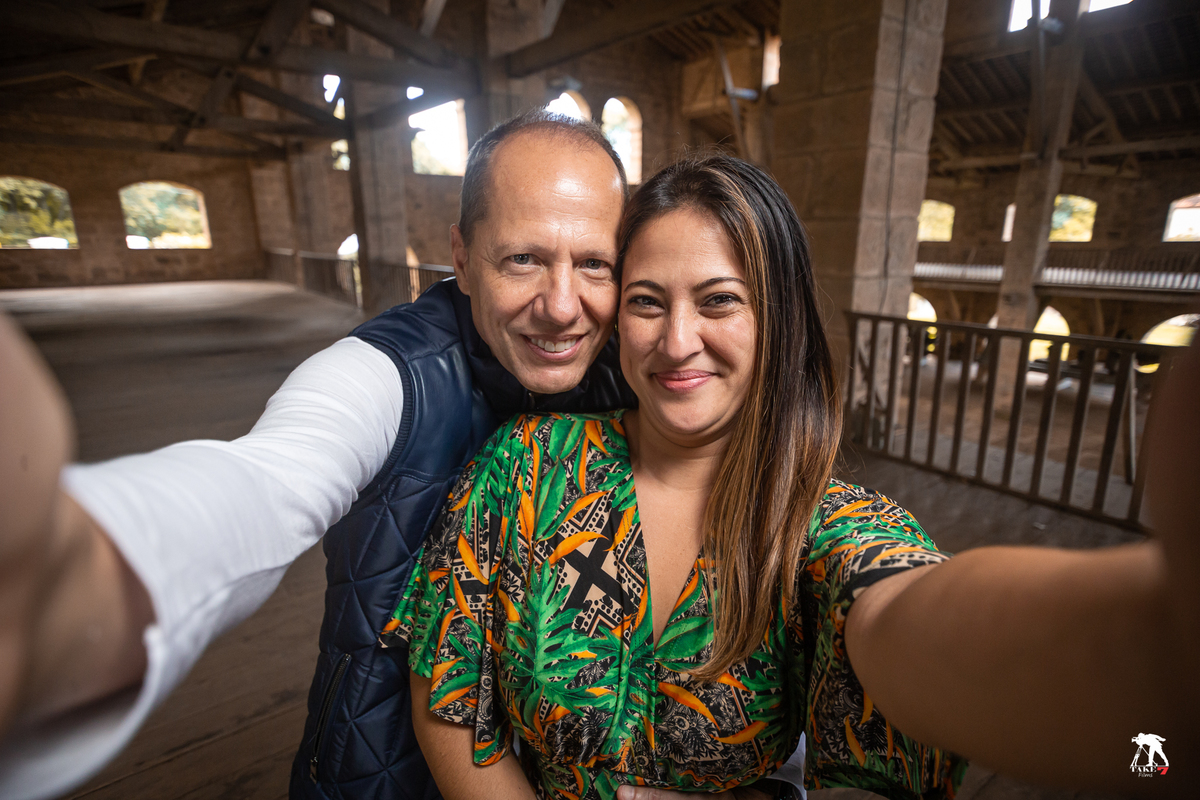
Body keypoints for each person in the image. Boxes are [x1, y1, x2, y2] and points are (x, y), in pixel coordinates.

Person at [382, 153, 1200, 800]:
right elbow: (451, 705)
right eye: (645, 301)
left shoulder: (825, 526)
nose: (676, 343)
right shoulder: (526, 466)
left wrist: (1151, 643)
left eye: (720, 300)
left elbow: (911, 617)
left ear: (778, 318)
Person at [0, 110, 642, 800]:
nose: (562, 305)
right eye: (523, 259)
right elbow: (267, 481)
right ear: (460, 257)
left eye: (595, 264)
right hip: (382, 775)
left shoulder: (626, 367)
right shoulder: (384, 374)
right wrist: (76, 566)